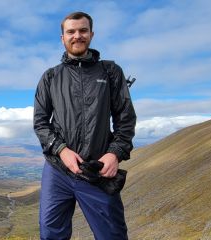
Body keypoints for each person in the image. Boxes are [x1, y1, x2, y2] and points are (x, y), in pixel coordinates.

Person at [33, 11, 136, 240]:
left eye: (82, 30)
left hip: (97, 169)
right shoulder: (50, 77)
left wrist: (115, 153)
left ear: (91, 34)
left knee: (112, 235)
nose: (77, 36)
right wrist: (62, 150)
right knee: (50, 234)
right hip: (58, 170)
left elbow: (125, 119)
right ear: (63, 38)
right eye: (71, 31)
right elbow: (40, 123)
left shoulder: (110, 72)